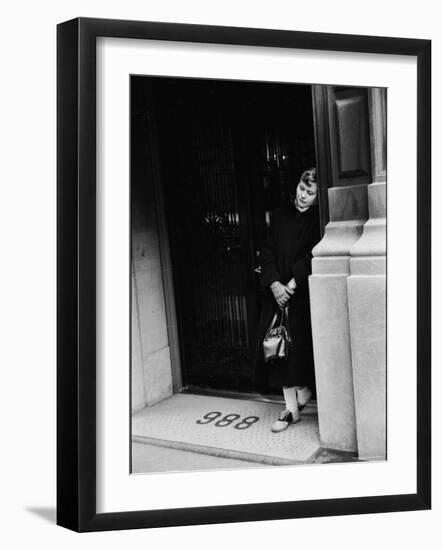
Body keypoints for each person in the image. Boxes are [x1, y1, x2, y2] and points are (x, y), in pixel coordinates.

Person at [255, 168, 321, 433]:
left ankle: (303, 393)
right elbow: (267, 250)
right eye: (301, 189)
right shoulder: (281, 214)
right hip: (277, 295)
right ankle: (291, 409)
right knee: (278, 351)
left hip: (299, 296)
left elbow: (313, 255)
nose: (303, 195)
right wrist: (274, 285)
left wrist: (292, 284)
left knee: (296, 353)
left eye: (310, 192)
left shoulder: (318, 220)